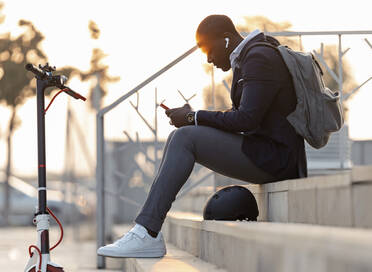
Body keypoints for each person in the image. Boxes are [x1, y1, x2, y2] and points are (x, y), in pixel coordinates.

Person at [97, 14, 307, 258]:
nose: (208, 59)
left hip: (276, 159)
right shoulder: (253, 56)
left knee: (185, 137)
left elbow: (246, 119)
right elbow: (246, 117)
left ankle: (147, 232)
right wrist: (193, 119)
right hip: (264, 151)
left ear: (226, 40)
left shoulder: (259, 57)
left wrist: (193, 117)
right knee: (182, 136)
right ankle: (146, 229)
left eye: (209, 50)